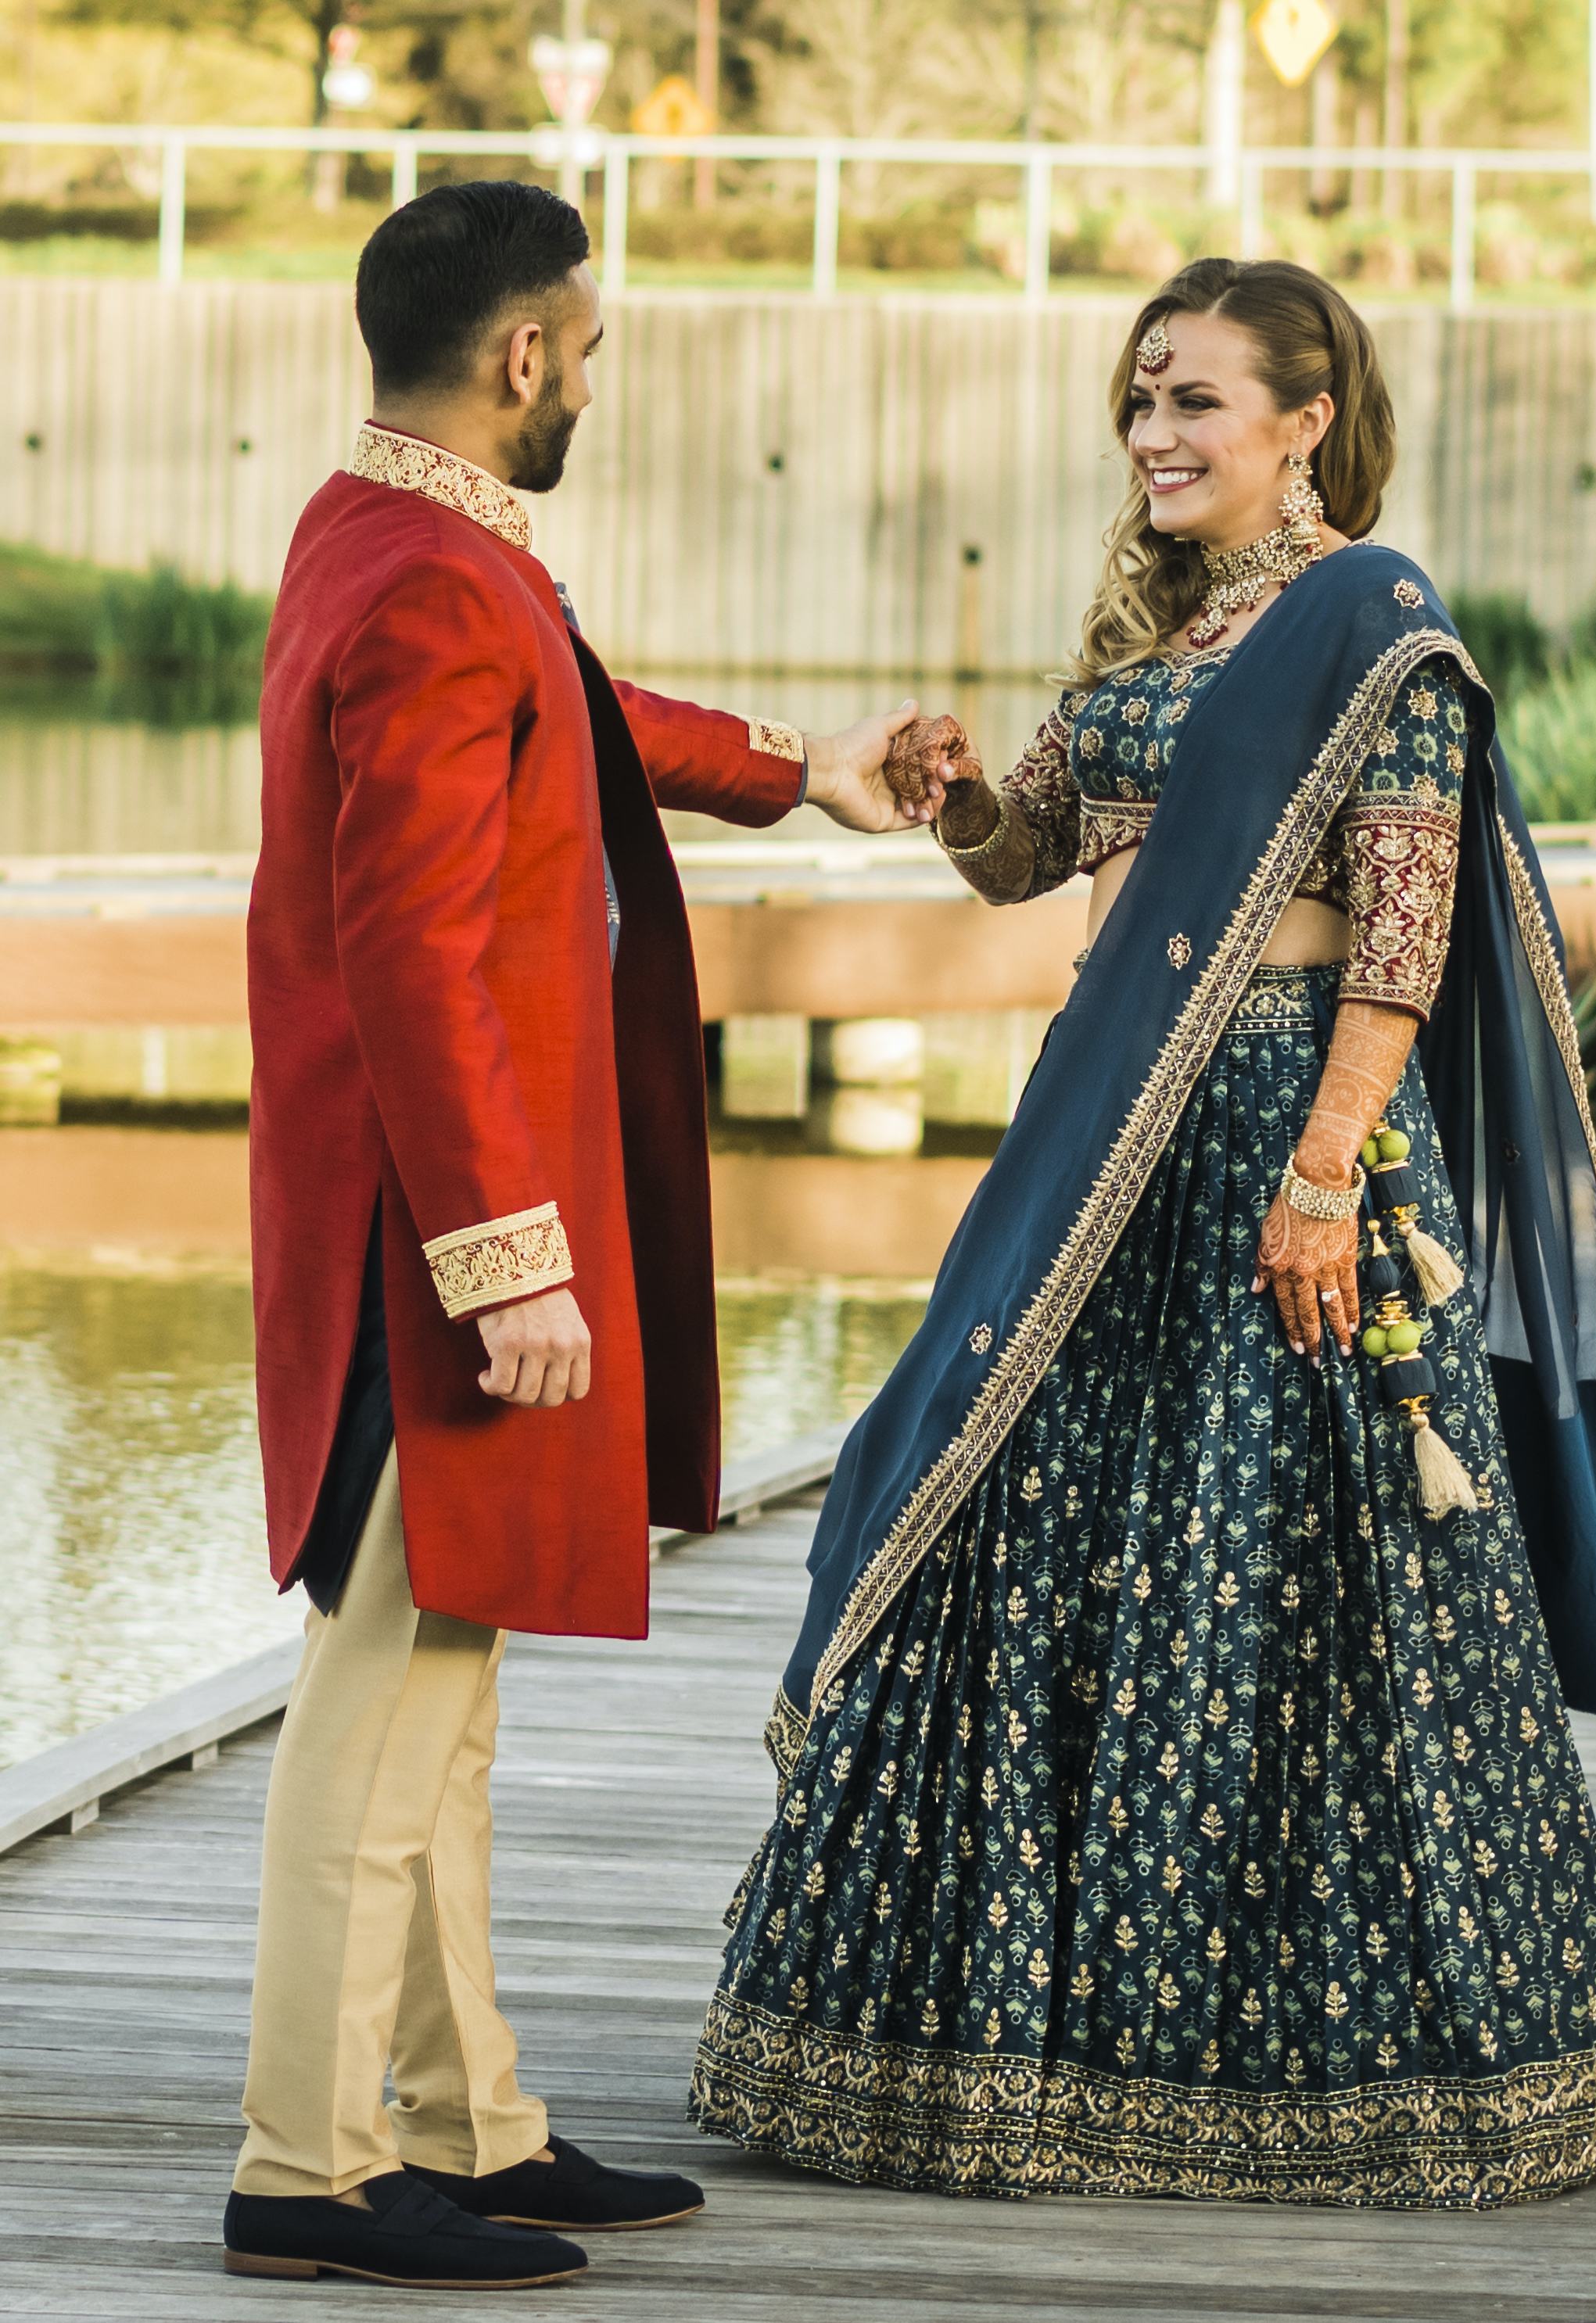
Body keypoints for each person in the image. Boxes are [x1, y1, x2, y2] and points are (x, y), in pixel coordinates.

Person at [691, 257, 1596, 2206]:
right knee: (1034, 1521)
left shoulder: (1373, 626)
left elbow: (1401, 928)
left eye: (1195, 400)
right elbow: (1023, 860)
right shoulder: (1159, 631)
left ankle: (1312, 2071)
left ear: (1303, 419)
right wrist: (954, 789)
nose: (1153, 434)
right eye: (1140, 398)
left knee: (1286, 1564)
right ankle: (989, 2050)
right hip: (1108, 1143)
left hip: (1286, 1152)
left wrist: (1322, 1177)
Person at [225, 181, 931, 2289]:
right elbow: (412, 949)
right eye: (591, 349)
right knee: (379, 1697)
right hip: (417, 1230)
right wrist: (504, 1252)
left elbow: (581, 710)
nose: (593, 382)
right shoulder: (436, 580)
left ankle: (462, 2119)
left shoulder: (396, 541)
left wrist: (814, 771)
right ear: (522, 352)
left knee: (444, 1683)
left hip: (398, 1210)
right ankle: (309, 2161)